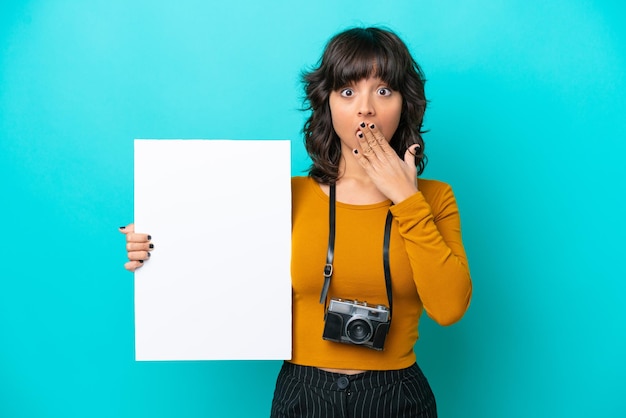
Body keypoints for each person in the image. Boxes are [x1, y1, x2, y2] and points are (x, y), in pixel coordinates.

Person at [120, 27, 472, 417]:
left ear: (406, 103)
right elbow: (217, 262)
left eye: (384, 91)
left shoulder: (434, 198)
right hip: (303, 393)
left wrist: (406, 199)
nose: (366, 108)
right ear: (327, 103)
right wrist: (157, 246)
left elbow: (450, 307)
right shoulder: (283, 194)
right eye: (348, 91)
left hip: (396, 395)